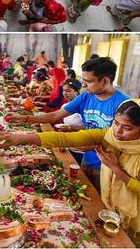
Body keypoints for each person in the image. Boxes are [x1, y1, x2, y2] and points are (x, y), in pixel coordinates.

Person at [0, 99, 140, 248]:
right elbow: (66, 138)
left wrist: (117, 169)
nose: (118, 132)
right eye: (116, 123)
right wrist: (20, 138)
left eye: (127, 128)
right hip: (116, 206)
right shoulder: (109, 135)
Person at [8, 57, 130, 189]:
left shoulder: (125, 105)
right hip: (87, 160)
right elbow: (55, 115)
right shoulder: (86, 96)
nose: (83, 84)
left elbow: (124, 142)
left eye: (88, 81)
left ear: (105, 80)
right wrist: (24, 118)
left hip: (110, 167)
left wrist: (92, 146)